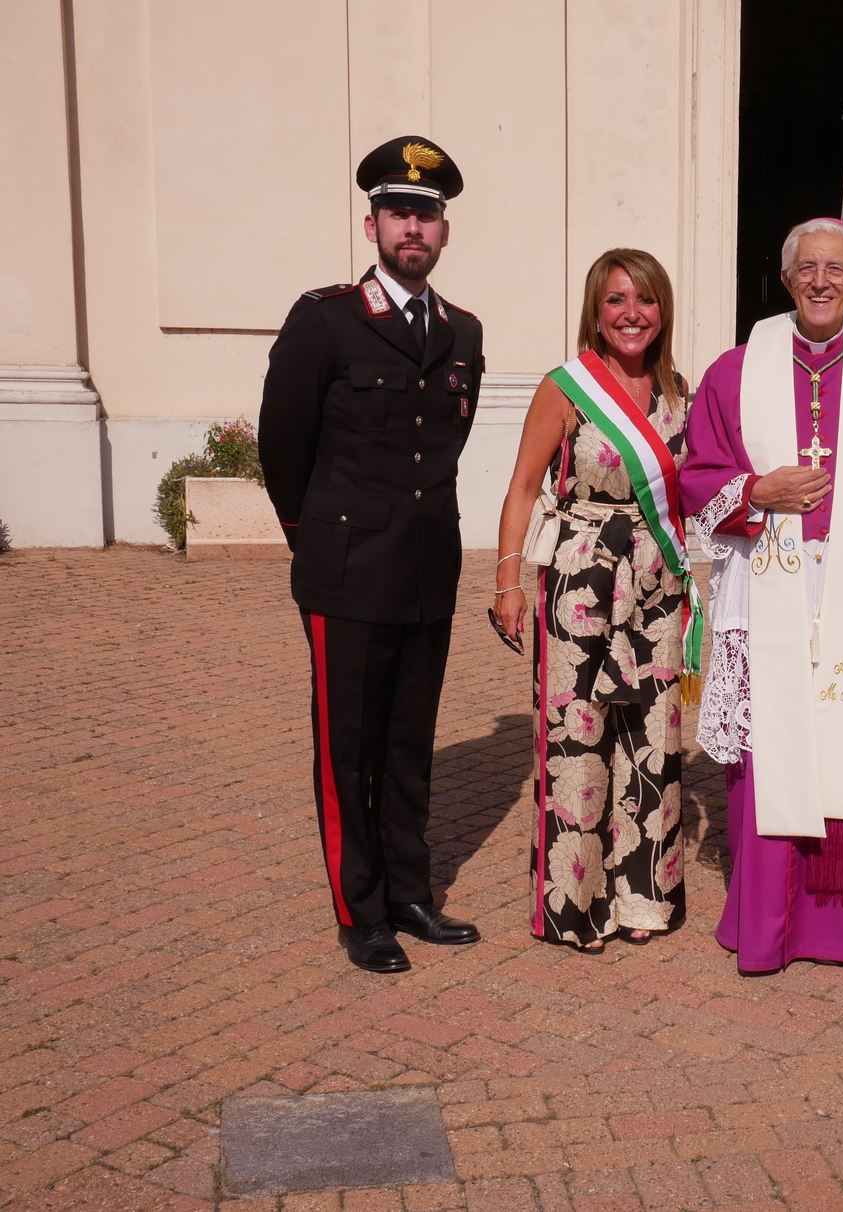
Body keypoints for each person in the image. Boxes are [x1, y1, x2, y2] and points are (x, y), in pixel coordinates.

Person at [681, 217, 843, 974]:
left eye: (837, 270)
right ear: (787, 278)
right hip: (766, 577)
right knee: (767, 743)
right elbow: (698, 475)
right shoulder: (736, 369)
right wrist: (756, 492)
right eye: (808, 268)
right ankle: (770, 917)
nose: (822, 281)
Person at [259, 136, 483, 974]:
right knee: (348, 748)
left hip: (426, 568)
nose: (411, 228)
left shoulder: (463, 331)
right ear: (372, 226)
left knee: (408, 743)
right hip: (347, 570)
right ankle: (362, 913)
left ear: (443, 230)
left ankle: (410, 894)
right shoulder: (325, 319)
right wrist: (316, 538)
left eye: (425, 215)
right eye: (397, 213)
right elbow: (284, 445)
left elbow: (445, 445)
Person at [493, 249, 691, 952]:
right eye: (615, 300)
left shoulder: (679, 390)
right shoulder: (566, 388)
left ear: (663, 309)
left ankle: (644, 898)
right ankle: (574, 905)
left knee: (653, 738)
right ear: (595, 311)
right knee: (576, 737)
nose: (631, 314)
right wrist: (507, 583)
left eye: (645, 299)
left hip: (657, 581)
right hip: (580, 579)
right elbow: (523, 488)